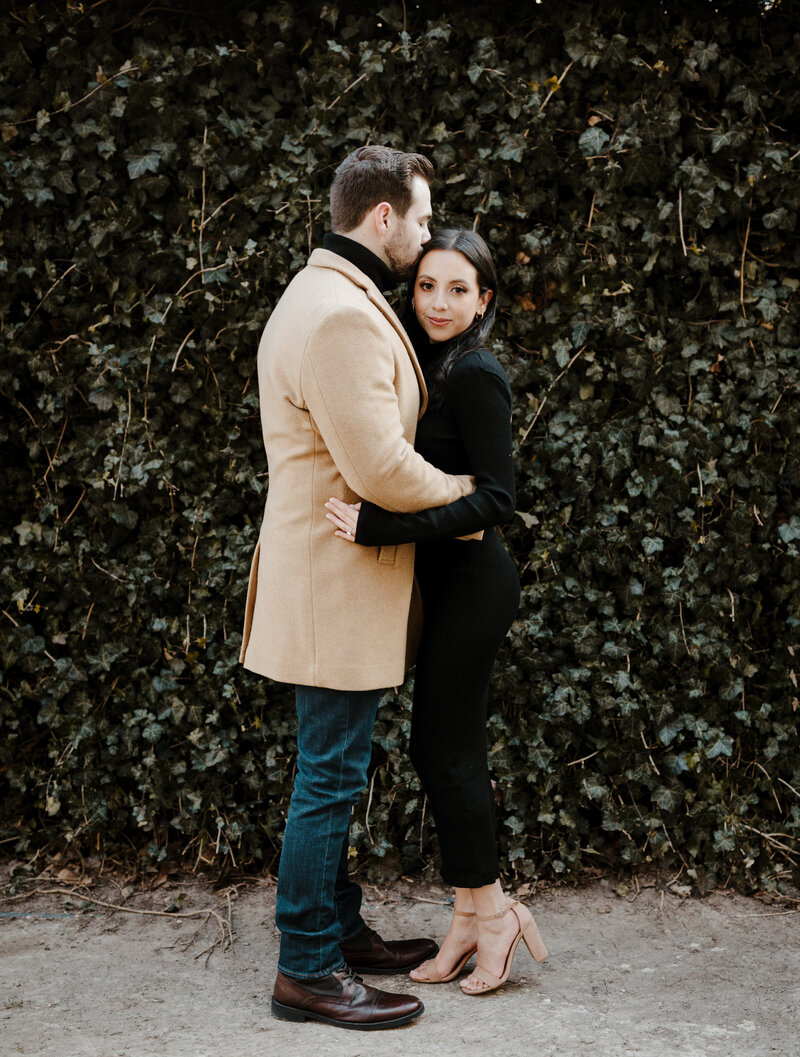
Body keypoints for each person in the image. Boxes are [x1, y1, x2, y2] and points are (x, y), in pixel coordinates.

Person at [239, 147, 479, 1030]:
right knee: (329, 777)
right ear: (382, 218)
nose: (426, 235)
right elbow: (378, 466)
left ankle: (336, 930)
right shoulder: (340, 313)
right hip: (333, 581)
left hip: (331, 578)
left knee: (331, 768)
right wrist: (478, 499)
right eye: (420, 219)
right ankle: (305, 967)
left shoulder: (329, 295)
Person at [324, 229, 549, 996]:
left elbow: (497, 498)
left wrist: (382, 526)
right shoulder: (425, 363)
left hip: (475, 586)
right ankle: (467, 917)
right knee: (438, 748)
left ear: (485, 299)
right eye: (426, 286)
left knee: (447, 749)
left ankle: (494, 916)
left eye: (458, 289)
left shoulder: (476, 372)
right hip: (444, 583)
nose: (439, 302)